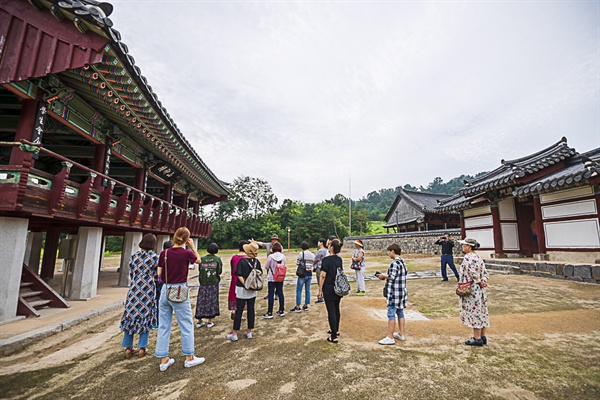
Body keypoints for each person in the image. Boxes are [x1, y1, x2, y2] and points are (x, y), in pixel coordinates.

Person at [155, 227, 205, 371]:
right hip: (179, 290)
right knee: (186, 323)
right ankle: (189, 357)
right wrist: (193, 247)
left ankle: (163, 359)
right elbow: (199, 261)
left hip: (165, 289)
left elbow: (159, 273)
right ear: (186, 239)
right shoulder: (186, 253)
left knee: (164, 324)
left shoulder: (164, 253)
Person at [120, 233, 159, 358]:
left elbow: (131, 273)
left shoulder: (134, 257)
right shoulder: (154, 258)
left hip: (135, 288)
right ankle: (142, 346)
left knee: (130, 316)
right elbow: (157, 275)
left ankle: (128, 346)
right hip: (148, 289)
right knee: (145, 316)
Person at [457, 238, 490, 346]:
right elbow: (484, 272)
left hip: (472, 288)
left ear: (469, 246)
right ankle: (483, 335)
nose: (462, 247)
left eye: (464, 245)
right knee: (482, 310)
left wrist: (479, 281)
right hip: (480, 288)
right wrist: (483, 281)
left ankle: (477, 338)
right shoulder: (478, 257)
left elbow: (472, 273)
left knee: (474, 311)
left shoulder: (467, 258)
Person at [228, 241, 262, 341]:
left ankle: (234, 333)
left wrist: (245, 284)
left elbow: (238, 274)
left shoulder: (242, 262)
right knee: (251, 310)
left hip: (242, 289)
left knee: (239, 310)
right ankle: (249, 331)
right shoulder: (257, 262)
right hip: (253, 289)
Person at [377, 243, 408, 345]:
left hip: (394, 292)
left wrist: (383, 276)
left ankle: (390, 337)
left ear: (393, 251)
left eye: (389, 251)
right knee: (400, 312)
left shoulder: (394, 263)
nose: (389, 253)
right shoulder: (402, 262)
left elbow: (392, 276)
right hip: (401, 291)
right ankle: (401, 333)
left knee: (391, 314)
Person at [318, 239, 344, 343]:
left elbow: (323, 275)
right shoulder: (339, 259)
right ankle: (336, 329)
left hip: (328, 287)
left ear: (332, 248)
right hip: (338, 287)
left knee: (331, 311)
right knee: (336, 309)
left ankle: (333, 336)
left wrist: (320, 290)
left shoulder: (326, 260)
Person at [195, 243, 223, 328]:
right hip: (213, 283)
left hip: (203, 284)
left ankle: (199, 320)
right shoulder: (217, 259)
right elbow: (219, 270)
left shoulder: (202, 259)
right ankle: (210, 321)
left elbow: (200, 269)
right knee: (212, 301)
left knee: (201, 301)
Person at [251, 234, 281, 300]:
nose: (274, 241)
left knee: (278, 281)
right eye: (273, 240)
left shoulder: (279, 246)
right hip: (270, 267)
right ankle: (270, 294)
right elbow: (261, 243)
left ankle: (277, 294)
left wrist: (273, 251)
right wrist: (254, 242)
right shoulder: (268, 245)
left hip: (278, 267)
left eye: (275, 240)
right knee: (270, 281)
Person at [290, 241, 315, 313]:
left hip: (302, 274)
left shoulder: (301, 254)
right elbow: (313, 263)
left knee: (299, 290)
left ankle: (298, 306)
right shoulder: (312, 255)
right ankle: (306, 305)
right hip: (309, 273)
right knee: (308, 290)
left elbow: (297, 263)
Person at [264, 242, 286, 318]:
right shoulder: (283, 256)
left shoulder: (270, 257)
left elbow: (266, 267)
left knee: (271, 294)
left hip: (271, 277)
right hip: (280, 277)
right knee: (280, 293)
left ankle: (270, 312)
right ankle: (281, 310)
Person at [154, 240, 173, 329]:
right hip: (168, 282)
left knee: (159, 302)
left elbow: (158, 272)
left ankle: (157, 322)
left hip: (159, 282)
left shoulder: (160, 255)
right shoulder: (172, 256)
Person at [228, 240, 248, 321]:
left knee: (234, 294)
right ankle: (240, 314)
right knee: (242, 296)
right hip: (243, 280)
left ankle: (234, 310)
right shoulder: (246, 258)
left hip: (234, 278)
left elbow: (232, 269)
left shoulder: (234, 257)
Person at [313, 238, 328, 304]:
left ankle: (321, 297)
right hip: (325, 268)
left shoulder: (320, 251)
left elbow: (316, 259)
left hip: (319, 268)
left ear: (321, 243)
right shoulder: (326, 250)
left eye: (319, 242)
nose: (318, 243)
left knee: (320, 283)